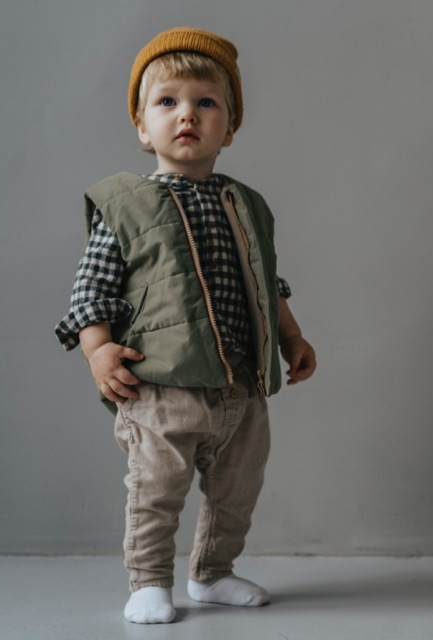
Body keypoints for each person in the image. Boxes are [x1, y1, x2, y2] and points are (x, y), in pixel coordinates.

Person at [54, 26, 316, 624]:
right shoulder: (125, 206)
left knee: (237, 491)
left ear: (230, 126)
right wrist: (98, 352)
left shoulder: (245, 205)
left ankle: (213, 573)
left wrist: (293, 337)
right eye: (167, 101)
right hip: (161, 386)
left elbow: (266, 281)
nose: (187, 115)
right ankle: (149, 581)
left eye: (206, 102)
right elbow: (91, 290)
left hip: (240, 387)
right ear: (143, 127)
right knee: (156, 490)